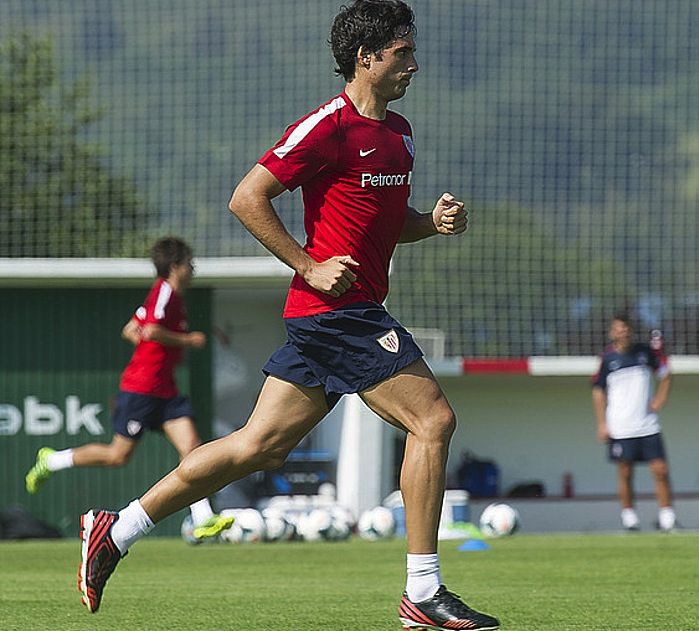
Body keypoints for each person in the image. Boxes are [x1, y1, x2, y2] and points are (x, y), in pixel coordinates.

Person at [76, 2, 500, 629]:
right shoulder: (326, 127)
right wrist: (308, 265)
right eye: (403, 51)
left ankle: (119, 528)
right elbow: (247, 197)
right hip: (337, 313)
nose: (415, 62)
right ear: (367, 57)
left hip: (335, 315)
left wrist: (430, 225)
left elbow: (384, 224)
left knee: (256, 447)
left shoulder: (400, 133)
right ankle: (423, 592)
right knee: (433, 420)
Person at [25, 236, 232, 542]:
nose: (193, 269)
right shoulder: (164, 292)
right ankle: (52, 460)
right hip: (142, 389)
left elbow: (131, 329)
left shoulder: (165, 296)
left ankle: (202, 518)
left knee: (192, 448)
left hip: (166, 391)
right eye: (190, 264)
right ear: (175, 266)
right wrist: (189, 340)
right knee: (117, 455)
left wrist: (158, 338)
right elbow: (149, 329)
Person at [592, 313, 677, 532]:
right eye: (619, 328)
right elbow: (598, 391)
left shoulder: (645, 353)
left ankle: (667, 518)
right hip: (620, 427)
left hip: (647, 425)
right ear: (612, 332)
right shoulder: (608, 360)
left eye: (626, 327)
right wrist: (602, 423)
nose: (623, 331)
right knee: (625, 472)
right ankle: (629, 518)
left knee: (660, 470)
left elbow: (666, 374)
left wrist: (660, 398)